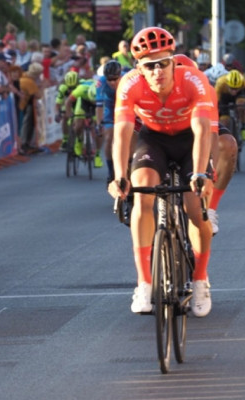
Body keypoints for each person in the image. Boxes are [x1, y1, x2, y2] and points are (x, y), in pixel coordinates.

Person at [107, 27, 215, 317]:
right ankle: (144, 283)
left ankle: (201, 279)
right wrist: (119, 176)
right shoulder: (129, 85)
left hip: (190, 140)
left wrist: (201, 172)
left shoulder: (194, 79)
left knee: (195, 208)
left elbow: (204, 129)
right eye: (149, 66)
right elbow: (122, 133)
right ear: (139, 69)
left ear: (173, 62)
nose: (157, 71)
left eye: (163, 63)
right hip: (154, 140)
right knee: (142, 197)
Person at [95, 60, 125, 183]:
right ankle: (111, 170)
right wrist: (99, 123)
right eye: (109, 79)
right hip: (110, 108)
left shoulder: (126, 79)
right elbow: (99, 105)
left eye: (115, 79)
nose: (112, 82)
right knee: (108, 138)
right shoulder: (101, 82)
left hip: (125, 106)